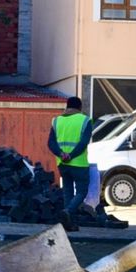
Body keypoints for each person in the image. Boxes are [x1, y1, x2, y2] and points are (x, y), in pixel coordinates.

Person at [47, 96, 96, 227]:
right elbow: (83, 142)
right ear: (80, 108)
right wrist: (71, 155)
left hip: (62, 163)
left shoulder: (56, 121)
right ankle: (68, 211)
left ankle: (67, 223)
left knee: (67, 191)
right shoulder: (85, 121)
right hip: (79, 163)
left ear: (67, 107)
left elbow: (51, 143)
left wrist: (61, 154)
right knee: (81, 192)